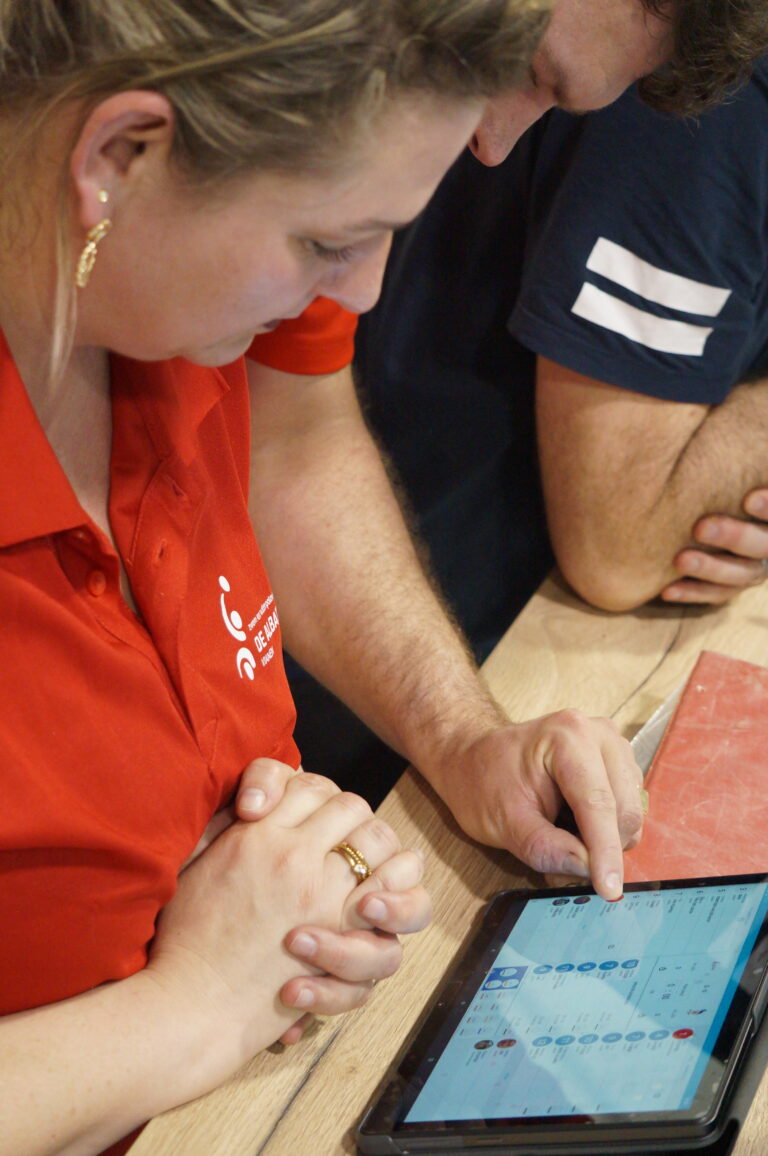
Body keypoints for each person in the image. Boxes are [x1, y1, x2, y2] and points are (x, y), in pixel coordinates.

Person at [0, 1, 584, 1153]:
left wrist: (303, 891)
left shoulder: (170, 323)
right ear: (120, 156)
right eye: (325, 242)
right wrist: (191, 1006)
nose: (358, 295)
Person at [286, 0, 768, 833]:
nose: (494, 145)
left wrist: (462, 739)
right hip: (346, 710)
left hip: (376, 696)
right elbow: (619, 544)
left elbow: (292, 429)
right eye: (522, 68)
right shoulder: (711, 120)